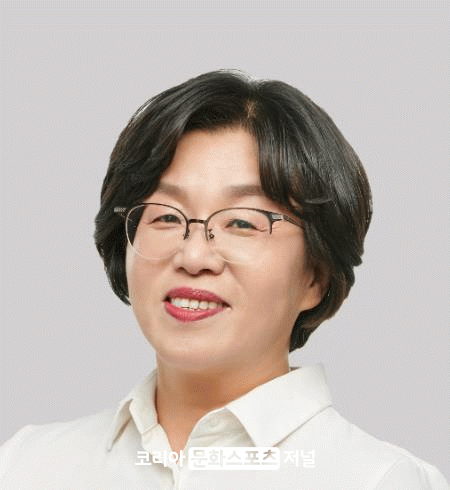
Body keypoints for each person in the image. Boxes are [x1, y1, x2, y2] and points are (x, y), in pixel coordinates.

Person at [0, 70, 447, 490]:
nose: (193, 256)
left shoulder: (380, 480)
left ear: (316, 275)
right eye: (166, 216)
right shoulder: (28, 466)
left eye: (242, 222)